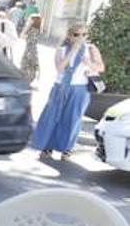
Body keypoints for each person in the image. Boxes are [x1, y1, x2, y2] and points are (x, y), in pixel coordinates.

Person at [30, 23, 105, 160]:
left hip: (79, 88)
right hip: (60, 87)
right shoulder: (62, 49)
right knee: (51, 117)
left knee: (72, 119)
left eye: (84, 34)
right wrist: (72, 51)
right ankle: (47, 147)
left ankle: (67, 150)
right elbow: (59, 68)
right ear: (70, 36)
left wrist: (89, 64)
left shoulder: (91, 48)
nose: (81, 37)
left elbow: (100, 67)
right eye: (77, 34)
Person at [20, 14, 42, 86]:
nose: (28, 20)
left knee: (26, 64)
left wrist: (28, 25)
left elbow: (22, 35)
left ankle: (26, 79)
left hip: (30, 48)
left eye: (30, 19)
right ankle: (28, 79)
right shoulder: (37, 29)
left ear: (33, 21)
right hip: (32, 48)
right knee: (30, 64)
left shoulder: (33, 29)